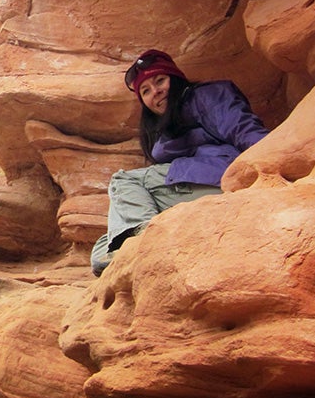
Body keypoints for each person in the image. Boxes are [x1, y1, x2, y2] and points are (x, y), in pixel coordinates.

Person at [91, 49, 269, 276]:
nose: (155, 92)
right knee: (104, 247)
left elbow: (243, 128)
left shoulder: (205, 95)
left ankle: (148, 243)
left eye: (160, 81)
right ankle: (147, 240)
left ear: (174, 78)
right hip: (190, 190)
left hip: (219, 177)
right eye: (145, 91)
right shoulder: (166, 127)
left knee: (123, 180)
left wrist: (268, 163)